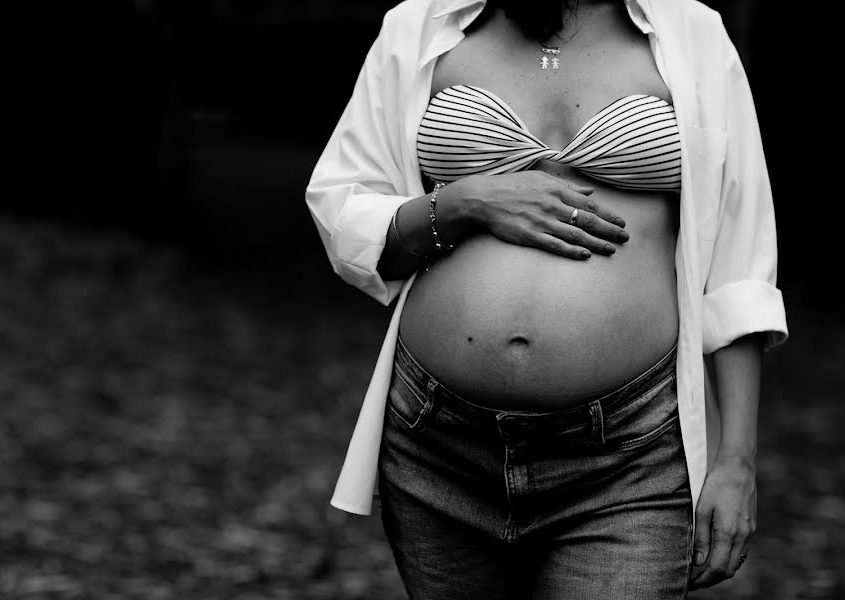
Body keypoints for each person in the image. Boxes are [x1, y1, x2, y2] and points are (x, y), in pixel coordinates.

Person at [305, 0, 788, 597]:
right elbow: (342, 206)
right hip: (438, 446)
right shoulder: (419, 25)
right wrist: (464, 204)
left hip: (627, 459)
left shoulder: (691, 32)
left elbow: (739, 264)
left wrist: (736, 460)